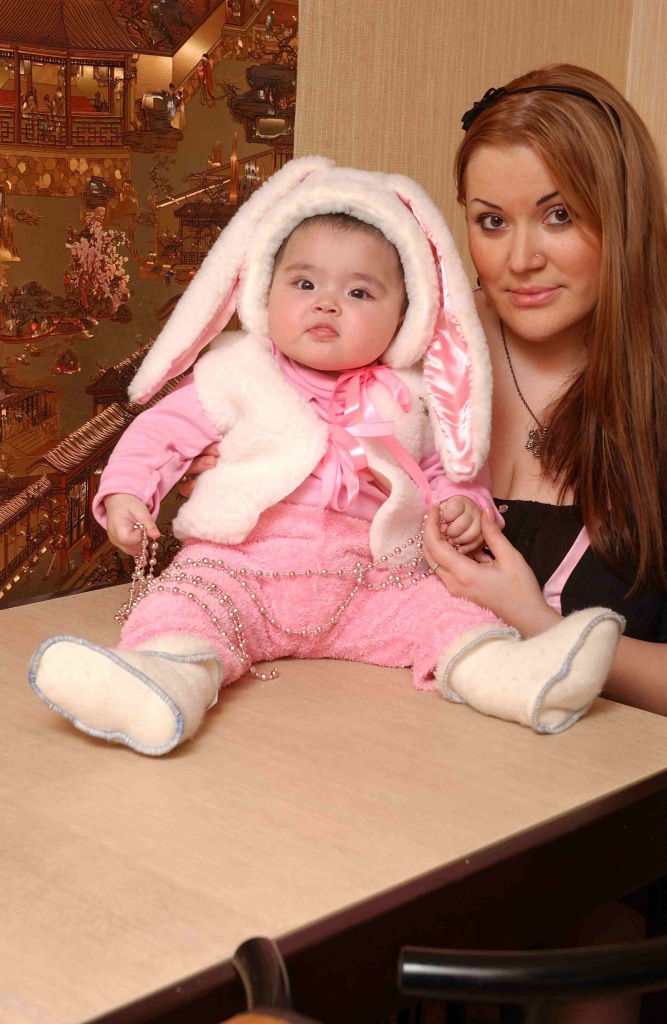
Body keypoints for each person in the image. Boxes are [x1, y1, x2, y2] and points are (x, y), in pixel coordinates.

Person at [28, 157, 622, 757]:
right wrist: (128, 494)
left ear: (405, 317)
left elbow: (452, 467)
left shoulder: (412, 395)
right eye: (304, 284)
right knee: (184, 602)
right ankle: (163, 678)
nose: (326, 304)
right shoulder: (237, 371)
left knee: (446, 610)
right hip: (241, 567)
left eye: (359, 292)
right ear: (264, 289)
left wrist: (463, 507)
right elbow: (160, 435)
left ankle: (508, 674)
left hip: (371, 579)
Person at [418, 63, 667, 721]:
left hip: (603, 779)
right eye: (491, 221)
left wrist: (534, 621)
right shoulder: (420, 347)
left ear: (623, 219)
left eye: (558, 216)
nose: (520, 260)